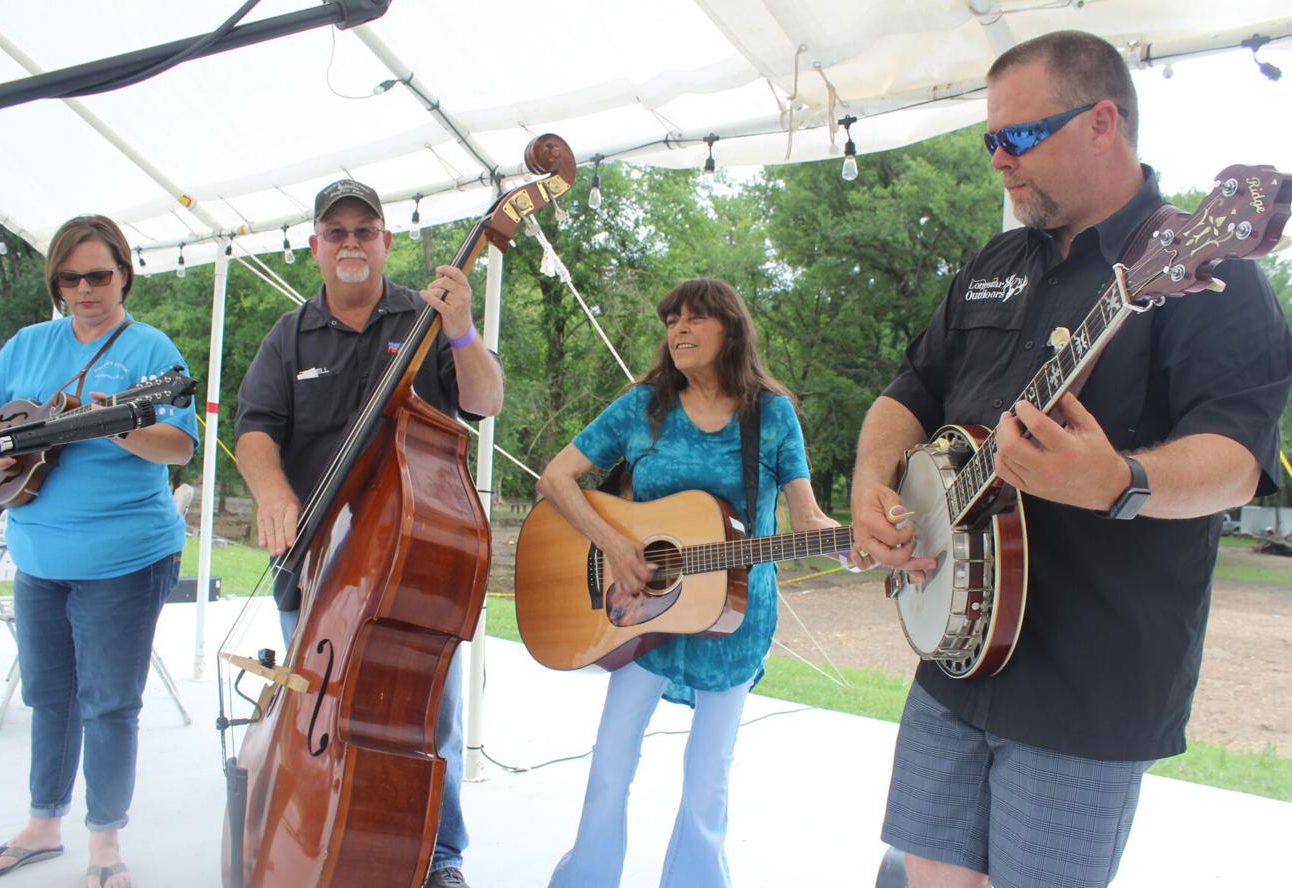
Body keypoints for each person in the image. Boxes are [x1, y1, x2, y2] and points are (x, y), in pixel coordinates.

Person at [849, 30, 1292, 888]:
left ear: (1101, 122)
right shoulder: (994, 262)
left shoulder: (1213, 275)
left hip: (1088, 681)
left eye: (1015, 139)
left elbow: (1236, 461)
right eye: (989, 141)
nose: (998, 164)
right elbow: (909, 391)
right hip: (953, 656)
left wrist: (1117, 481)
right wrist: (873, 480)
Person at [233, 179, 503, 888]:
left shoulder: (428, 315)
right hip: (317, 564)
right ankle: (316, 836)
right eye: (336, 231)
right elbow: (256, 429)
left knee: (421, 722)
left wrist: (463, 329)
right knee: (310, 718)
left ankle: (439, 856)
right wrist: (271, 492)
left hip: (408, 568)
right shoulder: (288, 336)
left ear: (384, 241)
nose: (350, 242)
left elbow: (485, 399)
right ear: (316, 247)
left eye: (364, 230)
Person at [537, 277, 840, 888]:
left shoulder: (771, 415)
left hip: (733, 619)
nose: (678, 328)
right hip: (641, 611)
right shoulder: (643, 405)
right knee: (611, 761)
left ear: (731, 328)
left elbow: (807, 517)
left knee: (708, 778)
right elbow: (555, 477)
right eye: (671, 318)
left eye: (695, 317)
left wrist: (850, 539)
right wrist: (615, 545)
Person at [0, 215, 198, 888]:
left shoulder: (151, 350)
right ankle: (42, 826)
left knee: (110, 703)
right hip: (38, 554)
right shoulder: (30, 342)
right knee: (49, 695)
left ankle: (104, 845)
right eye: (72, 277)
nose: (86, 289)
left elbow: (180, 444)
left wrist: (125, 427)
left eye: (99, 274)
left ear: (124, 272)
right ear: (57, 282)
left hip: (124, 558)